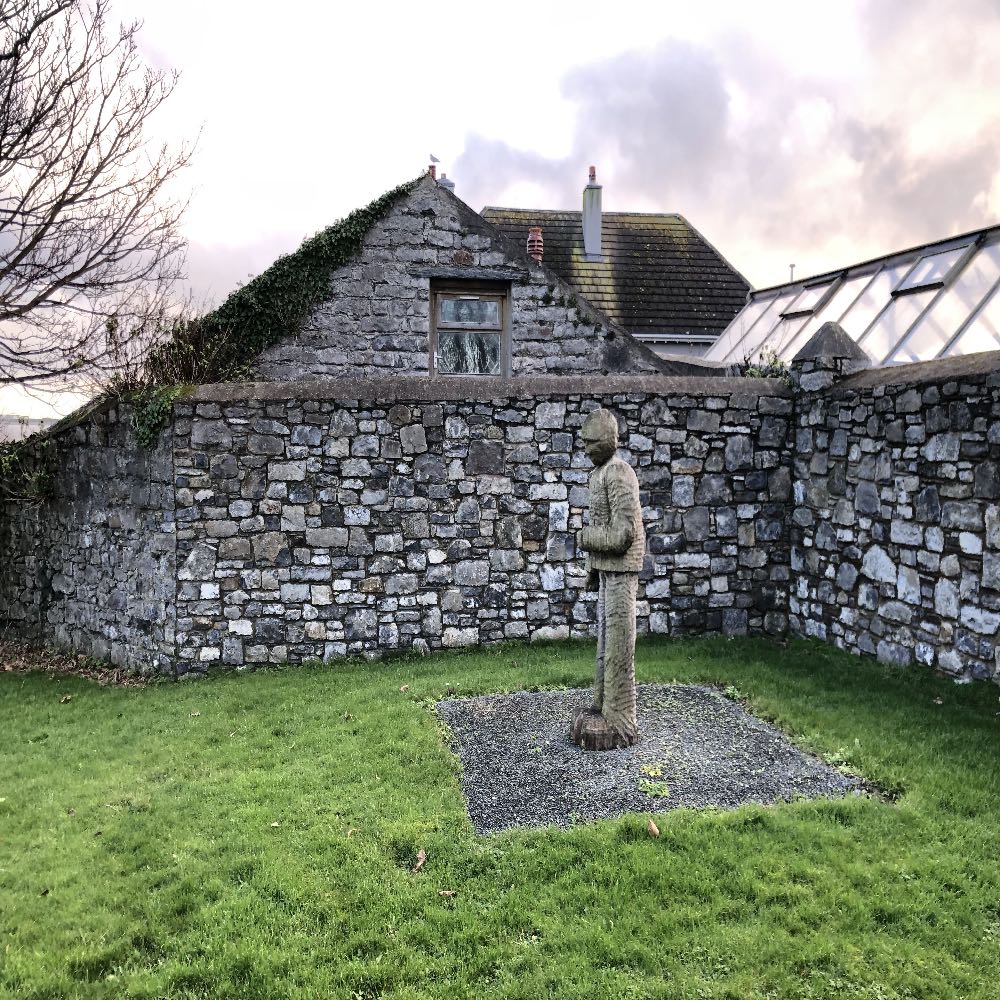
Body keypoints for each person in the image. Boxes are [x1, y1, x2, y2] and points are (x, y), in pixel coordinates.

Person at [572, 407, 646, 750]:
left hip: (623, 570)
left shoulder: (618, 473)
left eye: (591, 442)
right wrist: (592, 569)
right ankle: (603, 706)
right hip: (607, 571)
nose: (586, 448)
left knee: (618, 645)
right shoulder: (599, 473)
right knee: (605, 645)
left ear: (607, 440)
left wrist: (586, 538)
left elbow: (622, 535)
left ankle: (621, 719)